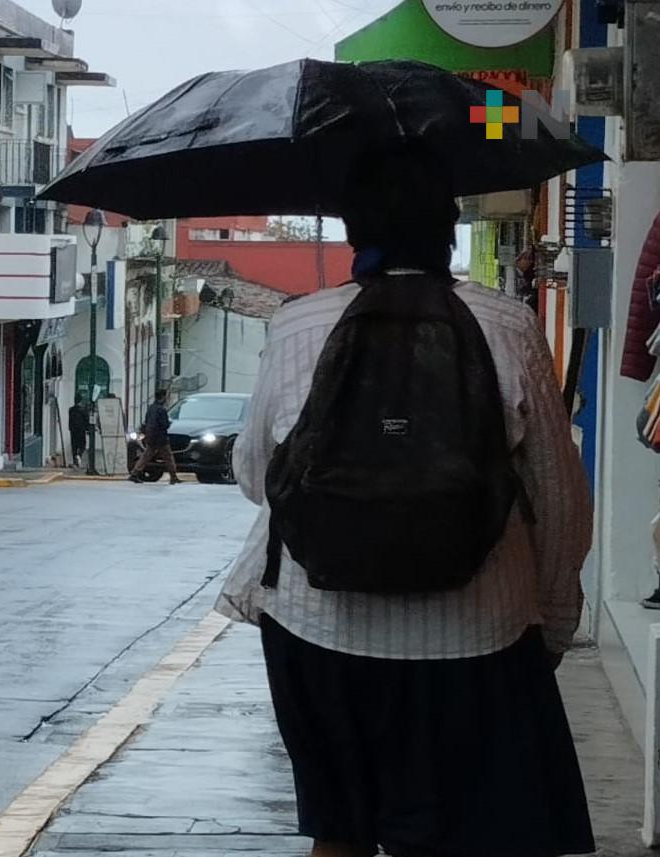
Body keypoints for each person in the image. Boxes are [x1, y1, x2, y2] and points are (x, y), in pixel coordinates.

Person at [216, 145, 594, 857]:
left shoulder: (298, 324)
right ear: (446, 228)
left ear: (356, 231)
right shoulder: (508, 324)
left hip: (315, 630)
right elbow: (561, 495)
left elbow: (255, 473)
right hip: (477, 635)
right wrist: (551, 620)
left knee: (341, 834)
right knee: (464, 835)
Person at [129, 389, 180, 484]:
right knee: (168, 457)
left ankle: (135, 473)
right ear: (163, 397)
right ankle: (173, 477)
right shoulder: (162, 410)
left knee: (146, 456)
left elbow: (147, 421)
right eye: (166, 397)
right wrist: (169, 423)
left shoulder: (151, 408)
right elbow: (164, 425)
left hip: (151, 437)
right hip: (161, 438)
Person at [68, 394, 89, 469]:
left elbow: (70, 420)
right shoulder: (83, 411)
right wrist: (88, 429)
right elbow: (87, 420)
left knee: (74, 446)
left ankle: (75, 462)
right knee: (82, 445)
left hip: (73, 431)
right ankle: (79, 455)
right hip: (81, 430)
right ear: (81, 401)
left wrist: (70, 428)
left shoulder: (71, 410)